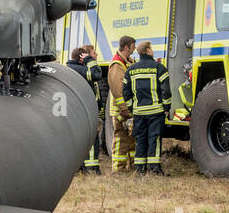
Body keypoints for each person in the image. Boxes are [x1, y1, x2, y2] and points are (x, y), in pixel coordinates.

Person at [125, 40, 170, 175]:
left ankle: (139, 169)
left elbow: (125, 92)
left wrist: (132, 108)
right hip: (156, 112)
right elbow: (166, 91)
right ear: (149, 51)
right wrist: (166, 107)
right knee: (154, 138)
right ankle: (154, 168)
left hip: (139, 112)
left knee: (140, 139)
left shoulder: (131, 70)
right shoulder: (159, 68)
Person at [66, 44, 101, 173]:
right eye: (93, 54)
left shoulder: (70, 69)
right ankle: (91, 168)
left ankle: (81, 167)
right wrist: (89, 61)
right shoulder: (79, 70)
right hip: (82, 111)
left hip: (75, 111)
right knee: (90, 138)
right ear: (82, 58)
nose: (96, 55)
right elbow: (96, 74)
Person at [106, 35, 136, 172]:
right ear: (126, 47)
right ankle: (118, 169)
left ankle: (130, 167)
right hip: (120, 111)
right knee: (120, 140)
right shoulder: (117, 64)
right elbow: (118, 90)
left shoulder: (127, 62)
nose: (134, 48)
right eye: (132, 46)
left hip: (127, 109)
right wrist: (124, 109)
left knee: (129, 140)